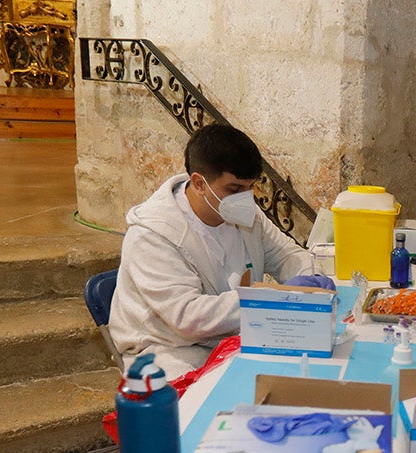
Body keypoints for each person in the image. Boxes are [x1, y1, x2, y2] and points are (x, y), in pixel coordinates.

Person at [108, 123, 333, 379]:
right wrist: (274, 298)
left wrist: (309, 277)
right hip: (169, 350)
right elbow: (187, 317)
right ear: (199, 183)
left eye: (251, 187)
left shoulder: (241, 212)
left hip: (235, 337)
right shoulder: (152, 235)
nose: (245, 198)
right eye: (235, 189)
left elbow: (286, 256)